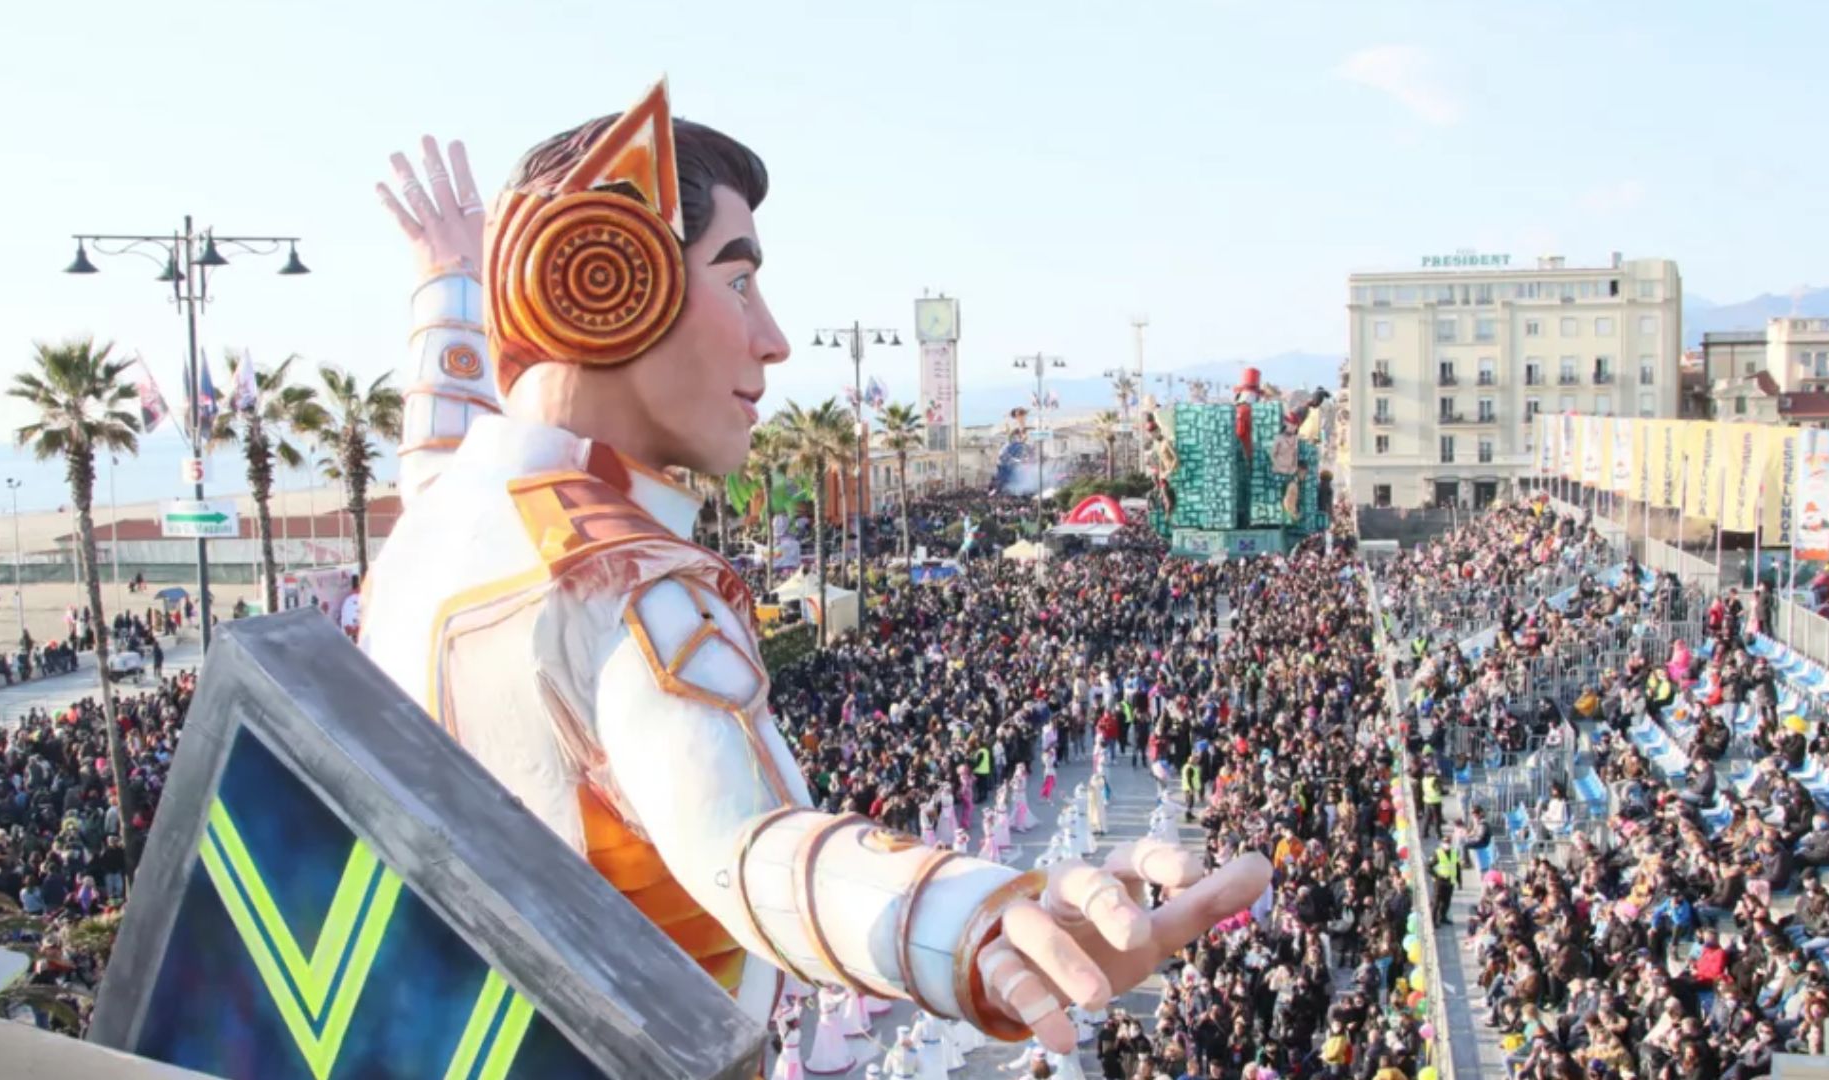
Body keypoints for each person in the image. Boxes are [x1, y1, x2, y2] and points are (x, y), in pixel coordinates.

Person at [358, 90, 1268, 1046]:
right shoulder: (622, 580)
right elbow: (746, 845)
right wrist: (975, 923)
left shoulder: (439, 522)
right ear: (611, 279)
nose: (774, 338)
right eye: (738, 280)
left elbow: (439, 442)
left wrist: (452, 287)